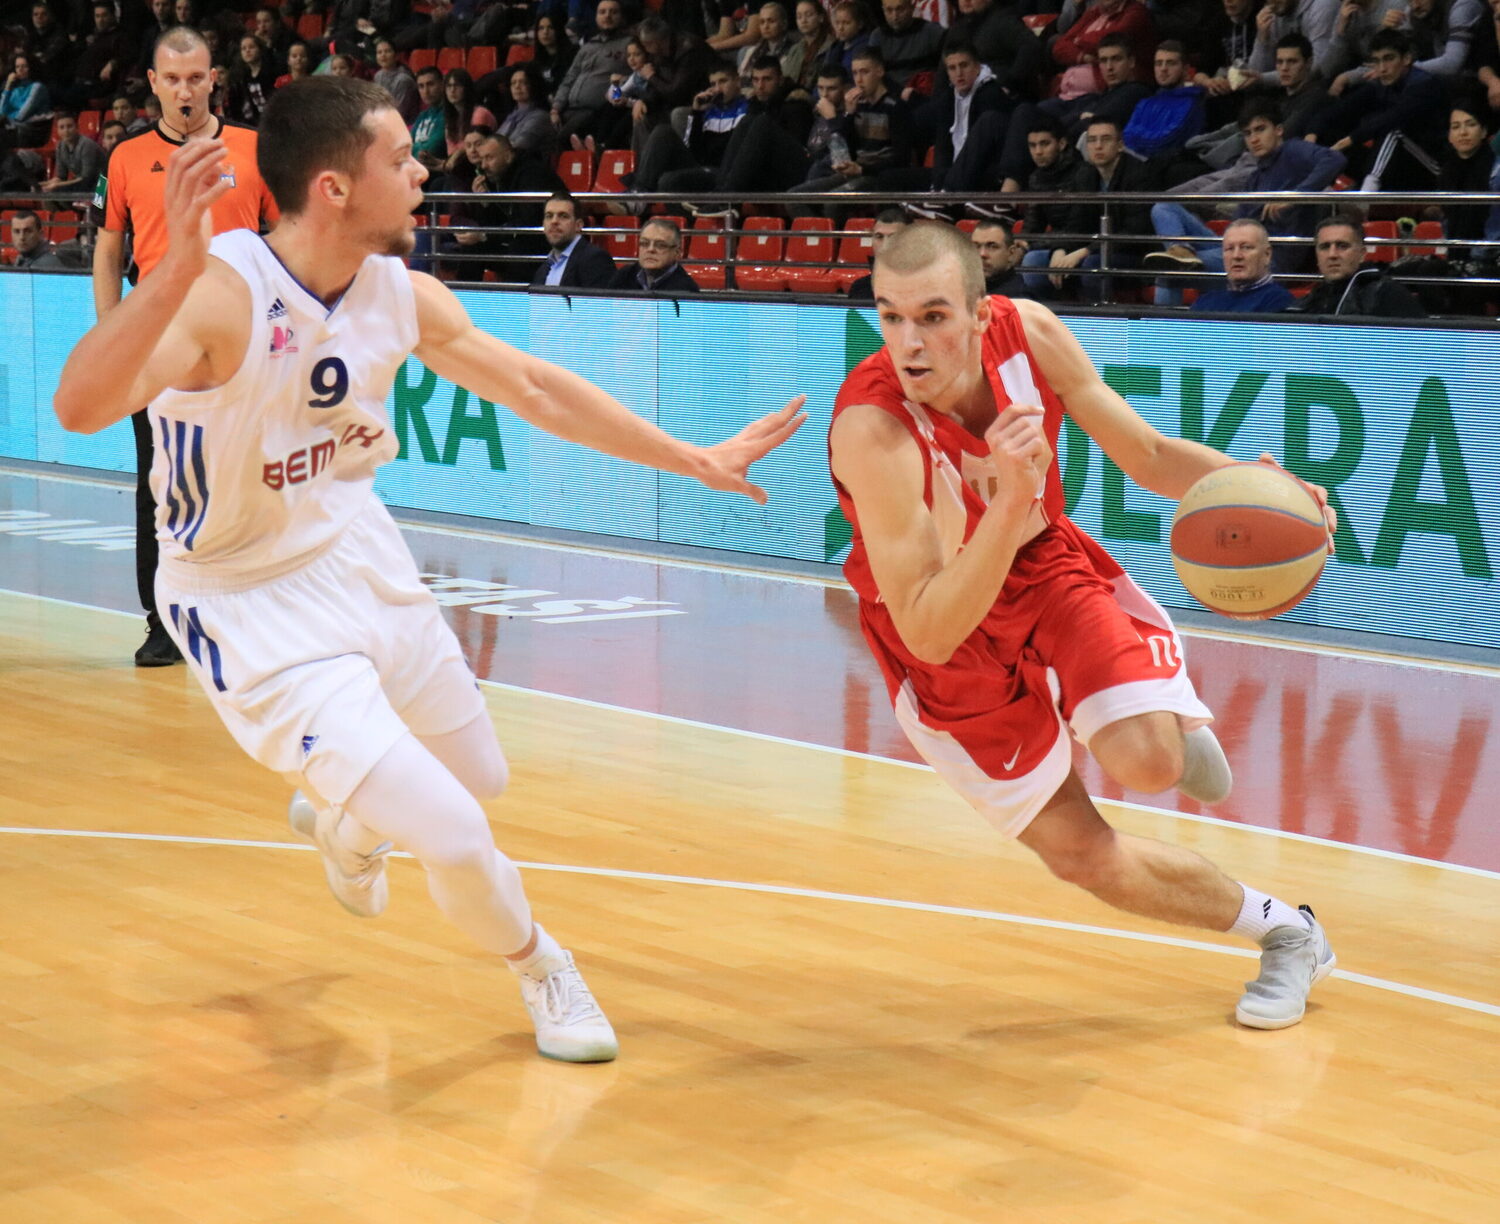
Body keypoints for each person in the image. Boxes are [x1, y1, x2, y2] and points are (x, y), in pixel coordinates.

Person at [53, 75, 805, 1064]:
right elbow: (79, 406)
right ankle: (544, 966)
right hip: (243, 597)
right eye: (400, 158)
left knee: (476, 775)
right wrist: (167, 274)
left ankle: (345, 818)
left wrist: (694, 459)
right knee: (452, 831)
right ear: (333, 187)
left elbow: (535, 387)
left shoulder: (397, 292)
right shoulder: (219, 297)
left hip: (352, 545)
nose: (422, 170)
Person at [828, 219, 1338, 1031]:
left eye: (932, 316)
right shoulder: (873, 429)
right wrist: (1008, 500)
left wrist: (1252, 482)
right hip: (944, 642)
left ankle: (1146, 719)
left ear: (979, 309)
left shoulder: (1029, 332)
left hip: (1045, 573)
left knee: (1148, 764)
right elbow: (928, 626)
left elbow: (1148, 455)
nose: (909, 342)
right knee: (1082, 857)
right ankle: (1289, 931)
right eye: (889, 315)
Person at [93, 26, 279, 668]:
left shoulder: (256, 151)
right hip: (159, 347)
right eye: (171, 79)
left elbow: (285, 245)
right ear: (152, 83)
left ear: (214, 78)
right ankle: (163, 623)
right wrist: (112, 339)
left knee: (255, 479)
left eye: (196, 77)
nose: (185, 90)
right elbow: (109, 249)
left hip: (244, 345)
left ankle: (251, 616)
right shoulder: (125, 158)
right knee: (162, 488)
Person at [1145, 99, 1344, 304]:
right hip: (1238, 250)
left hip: (1270, 261)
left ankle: (1162, 333)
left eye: (1260, 129)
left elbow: (1334, 159)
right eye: (1248, 134)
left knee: (1170, 270)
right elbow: (1237, 225)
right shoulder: (1255, 178)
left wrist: (1294, 196)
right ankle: (1181, 250)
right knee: (1164, 207)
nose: (1254, 139)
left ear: (1278, 130)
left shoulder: (1293, 151)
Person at [1289, 213, 1426, 315]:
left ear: (1362, 254)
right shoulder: (1309, 302)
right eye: (1325, 247)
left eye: (1342, 246)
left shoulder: (1387, 294)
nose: (1332, 254)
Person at [1191, 217, 1297, 311]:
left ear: (1267, 254)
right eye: (1229, 249)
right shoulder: (1204, 302)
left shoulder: (1279, 301)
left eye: (1246, 247)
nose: (1236, 256)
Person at [531, 189, 617, 287]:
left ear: (578, 225)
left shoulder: (596, 259)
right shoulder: (544, 268)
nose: (554, 221)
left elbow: (598, 301)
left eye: (563, 216)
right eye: (549, 216)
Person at [609, 216, 702, 292]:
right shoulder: (624, 276)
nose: (651, 249)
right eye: (644, 243)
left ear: (677, 253)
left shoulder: (686, 289)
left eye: (660, 245)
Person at [844, 205, 907, 299]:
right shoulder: (860, 288)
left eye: (893, 237)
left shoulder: (925, 288)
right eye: (879, 237)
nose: (885, 244)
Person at [971, 217, 1031, 296]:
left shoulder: (1020, 300)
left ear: (1011, 253)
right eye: (976, 246)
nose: (982, 254)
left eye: (992, 246)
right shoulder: (961, 292)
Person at [372, 38, 420, 123]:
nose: (383, 55)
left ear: (396, 56)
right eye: (379, 52)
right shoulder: (378, 76)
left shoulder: (403, 80)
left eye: (387, 51)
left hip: (405, 123)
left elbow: (399, 113)